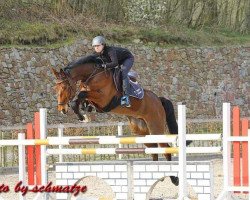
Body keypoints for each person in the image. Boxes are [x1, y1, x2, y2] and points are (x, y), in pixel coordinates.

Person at [92, 36, 134, 107]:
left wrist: (104, 65)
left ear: (103, 45)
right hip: (118, 60)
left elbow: (114, 63)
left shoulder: (110, 51)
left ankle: (126, 97)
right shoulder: (95, 54)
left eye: (98, 46)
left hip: (127, 58)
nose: (96, 48)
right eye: (95, 46)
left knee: (123, 73)